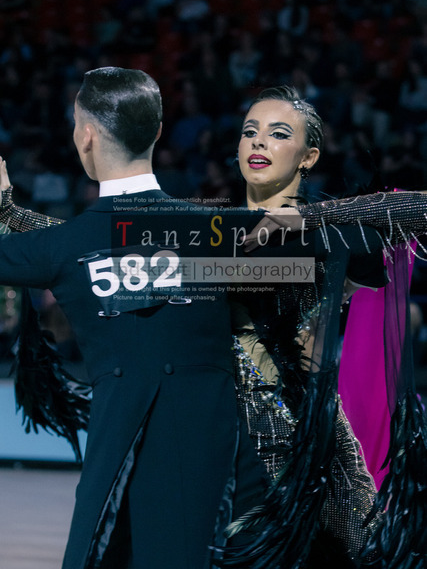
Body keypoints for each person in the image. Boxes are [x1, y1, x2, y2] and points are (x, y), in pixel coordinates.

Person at [0, 84, 394, 568]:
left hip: (291, 432)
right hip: (222, 435)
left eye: (278, 133)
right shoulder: (210, 230)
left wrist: (307, 225)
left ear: (309, 156)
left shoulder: (274, 238)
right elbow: (101, 248)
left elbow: (95, 249)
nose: (258, 141)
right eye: (250, 131)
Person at [0, 66, 274, 569]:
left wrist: (1, 206)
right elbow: (335, 247)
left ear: (86, 135)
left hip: (117, 467)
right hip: (221, 471)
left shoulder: (63, 247)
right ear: (157, 131)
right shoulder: (221, 232)